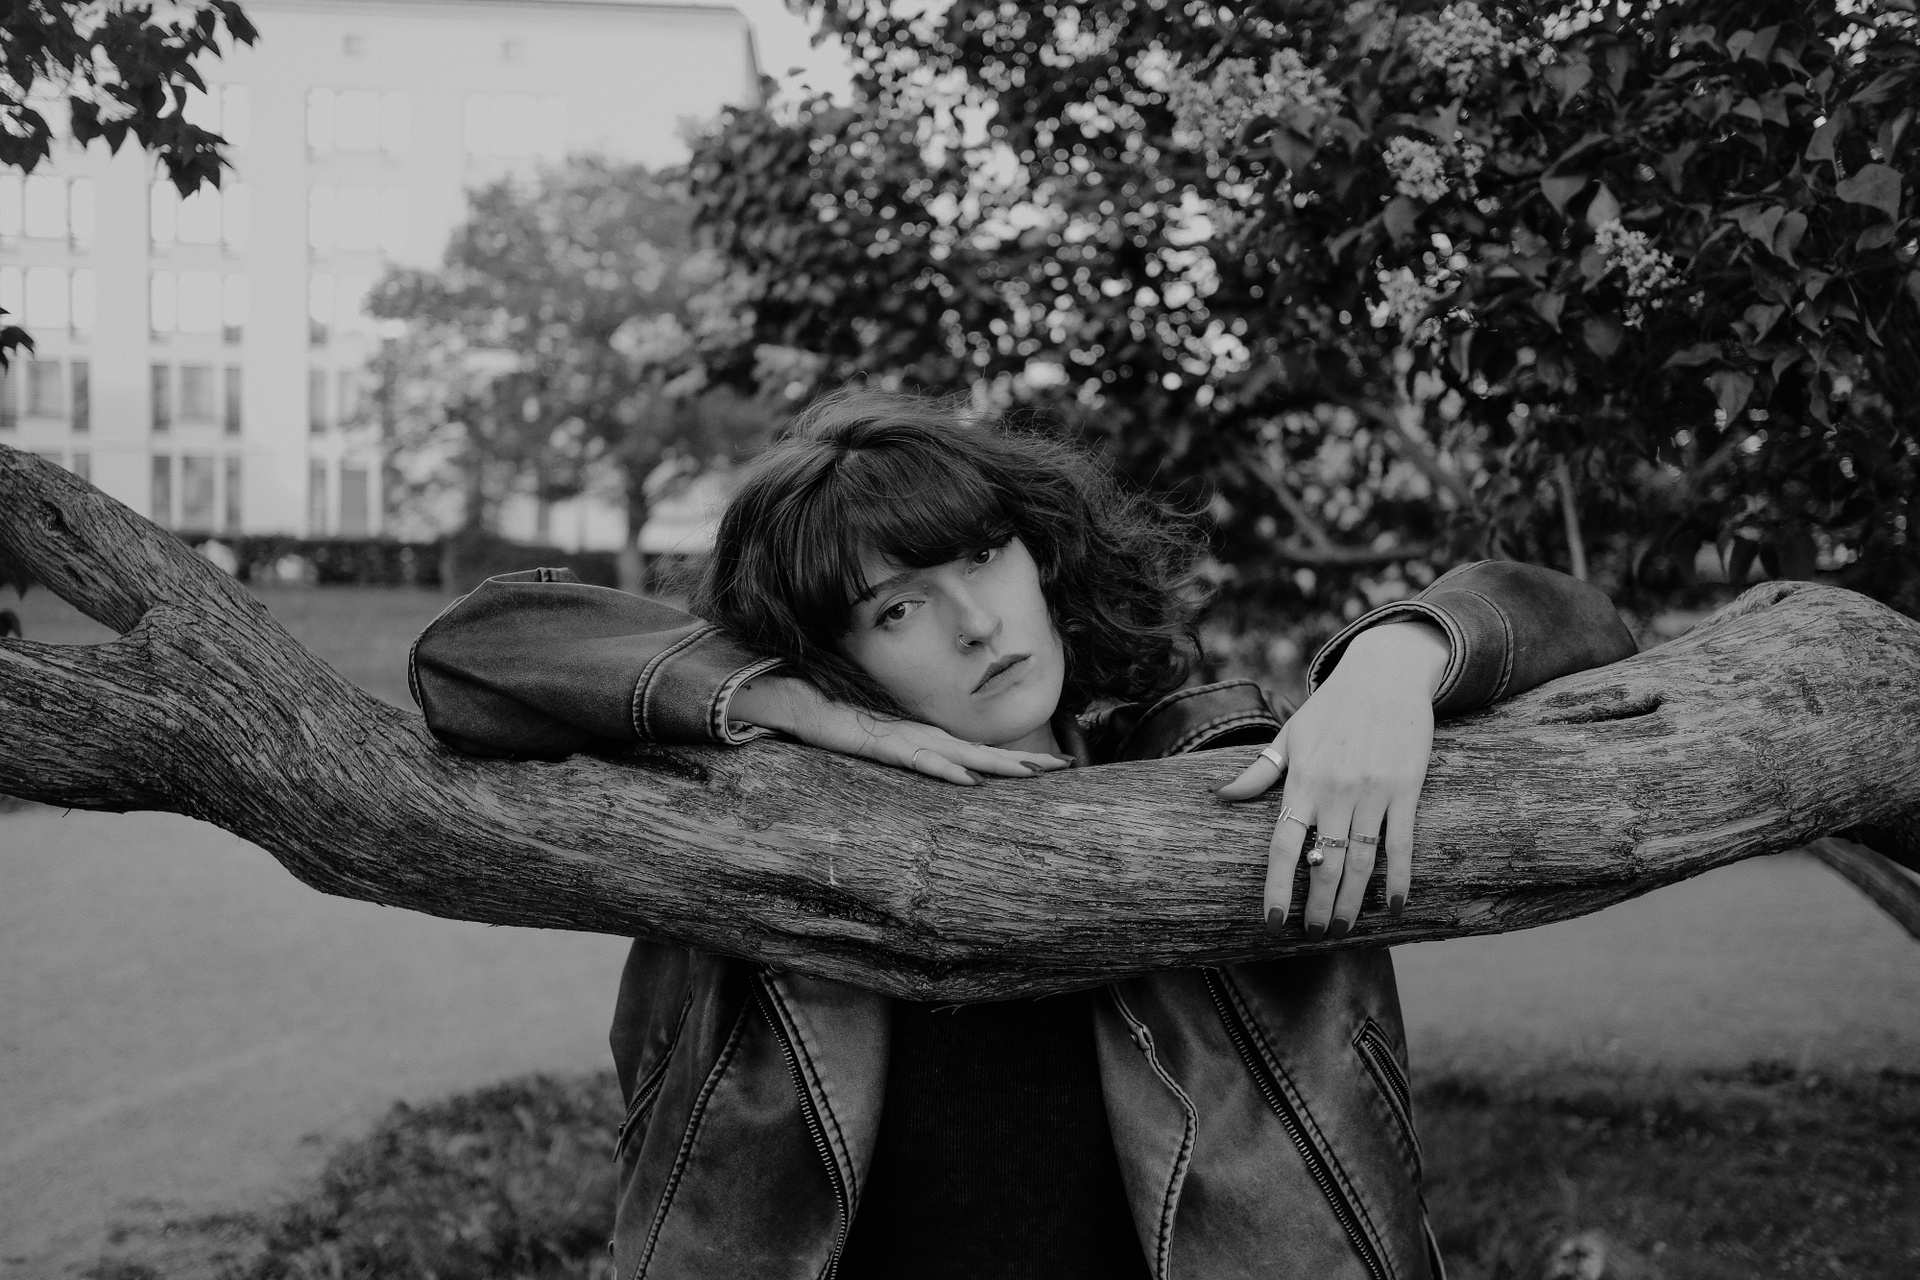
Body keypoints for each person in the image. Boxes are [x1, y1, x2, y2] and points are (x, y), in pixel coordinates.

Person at [410, 388, 1636, 1280]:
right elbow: (475, 654)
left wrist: (1397, 659)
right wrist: (788, 704)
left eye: (983, 556)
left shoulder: (1220, 766)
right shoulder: (746, 824)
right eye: (897, 608)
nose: (977, 623)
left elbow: (1582, 621)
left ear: (1041, 555)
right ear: (833, 653)